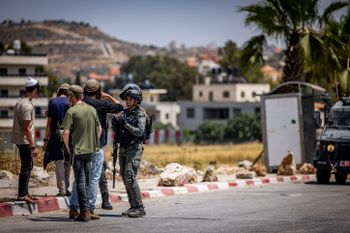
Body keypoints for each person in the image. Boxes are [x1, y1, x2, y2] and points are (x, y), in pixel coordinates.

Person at [69, 79, 123, 219]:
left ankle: (74, 207)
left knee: (79, 178)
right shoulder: (101, 104)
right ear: (98, 91)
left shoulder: (80, 103)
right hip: (97, 146)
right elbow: (120, 107)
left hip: (80, 145)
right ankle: (90, 209)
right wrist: (108, 96)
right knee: (93, 178)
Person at [62, 85, 101, 222]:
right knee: (88, 180)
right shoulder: (92, 110)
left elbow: (65, 133)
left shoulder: (71, 112)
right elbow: (99, 129)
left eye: (69, 96)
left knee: (80, 180)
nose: (68, 99)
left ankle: (84, 211)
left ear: (72, 96)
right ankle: (88, 210)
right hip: (91, 151)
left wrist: (68, 148)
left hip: (78, 151)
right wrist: (95, 144)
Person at [112, 83, 146, 218]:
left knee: (129, 176)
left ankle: (140, 207)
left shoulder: (140, 115)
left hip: (134, 148)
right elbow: (117, 131)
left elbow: (139, 132)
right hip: (123, 147)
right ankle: (133, 206)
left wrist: (125, 125)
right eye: (127, 98)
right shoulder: (124, 113)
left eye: (131, 99)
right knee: (125, 178)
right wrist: (116, 123)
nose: (128, 101)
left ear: (137, 100)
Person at [11, 77, 40, 204]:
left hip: (20, 140)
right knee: (27, 167)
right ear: (34, 90)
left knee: (28, 166)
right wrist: (33, 146)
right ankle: (22, 194)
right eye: (37, 89)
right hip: (24, 141)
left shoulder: (20, 101)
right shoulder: (27, 106)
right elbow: (26, 128)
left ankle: (25, 192)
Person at [43, 83, 71, 196]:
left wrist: (45, 139)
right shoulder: (70, 102)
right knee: (67, 161)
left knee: (59, 161)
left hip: (55, 134)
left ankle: (62, 189)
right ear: (68, 93)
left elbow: (49, 123)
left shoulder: (52, 102)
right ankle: (67, 188)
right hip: (68, 134)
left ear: (59, 91)